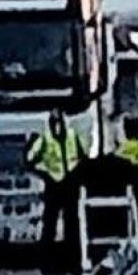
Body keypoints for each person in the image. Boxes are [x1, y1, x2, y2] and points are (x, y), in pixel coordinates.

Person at [27, 110, 88, 256]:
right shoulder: (45, 139)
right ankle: (46, 253)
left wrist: (78, 172)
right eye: (55, 123)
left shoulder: (73, 136)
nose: (58, 127)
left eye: (60, 122)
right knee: (50, 219)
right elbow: (30, 159)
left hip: (71, 182)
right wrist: (44, 172)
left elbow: (82, 156)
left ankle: (72, 251)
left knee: (72, 218)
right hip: (53, 183)